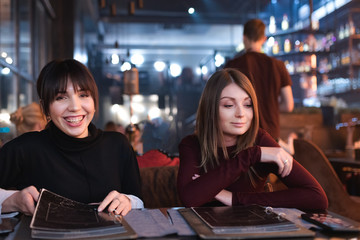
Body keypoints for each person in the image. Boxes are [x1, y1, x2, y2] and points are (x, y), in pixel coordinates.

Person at [0, 59, 143, 216]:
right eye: (61, 97)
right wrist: (12, 200)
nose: (75, 107)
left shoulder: (117, 145)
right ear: (45, 107)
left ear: (94, 101)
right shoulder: (25, 148)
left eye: (83, 95)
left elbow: (138, 200)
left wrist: (128, 201)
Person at [177, 68, 328, 210]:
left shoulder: (260, 140)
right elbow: (190, 199)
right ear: (210, 109)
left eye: (248, 105)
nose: (241, 113)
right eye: (229, 105)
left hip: (253, 230)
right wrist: (252, 155)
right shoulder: (191, 145)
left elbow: (317, 198)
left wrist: (233, 198)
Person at [224, 19, 294, 140]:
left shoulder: (232, 65)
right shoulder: (278, 66)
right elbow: (288, 105)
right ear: (264, 39)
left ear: (244, 37)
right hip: (270, 135)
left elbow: (224, 102)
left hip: (241, 135)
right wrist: (269, 105)